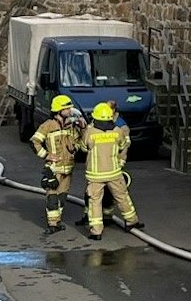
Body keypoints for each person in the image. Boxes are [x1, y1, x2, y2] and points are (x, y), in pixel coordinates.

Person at [81, 102, 142, 239]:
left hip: (95, 175)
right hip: (114, 172)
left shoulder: (90, 132)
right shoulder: (117, 131)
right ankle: (132, 222)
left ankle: (96, 232)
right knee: (122, 197)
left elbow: (83, 148)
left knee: (95, 202)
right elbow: (123, 145)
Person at [30, 96, 87, 236]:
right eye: (66, 108)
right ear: (58, 110)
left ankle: (57, 221)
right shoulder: (48, 125)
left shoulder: (72, 126)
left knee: (62, 197)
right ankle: (52, 224)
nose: (69, 110)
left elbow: (84, 145)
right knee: (52, 198)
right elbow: (34, 142)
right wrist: (45, 155)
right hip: (54, 169)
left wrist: (83, 128)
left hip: (68, 168)